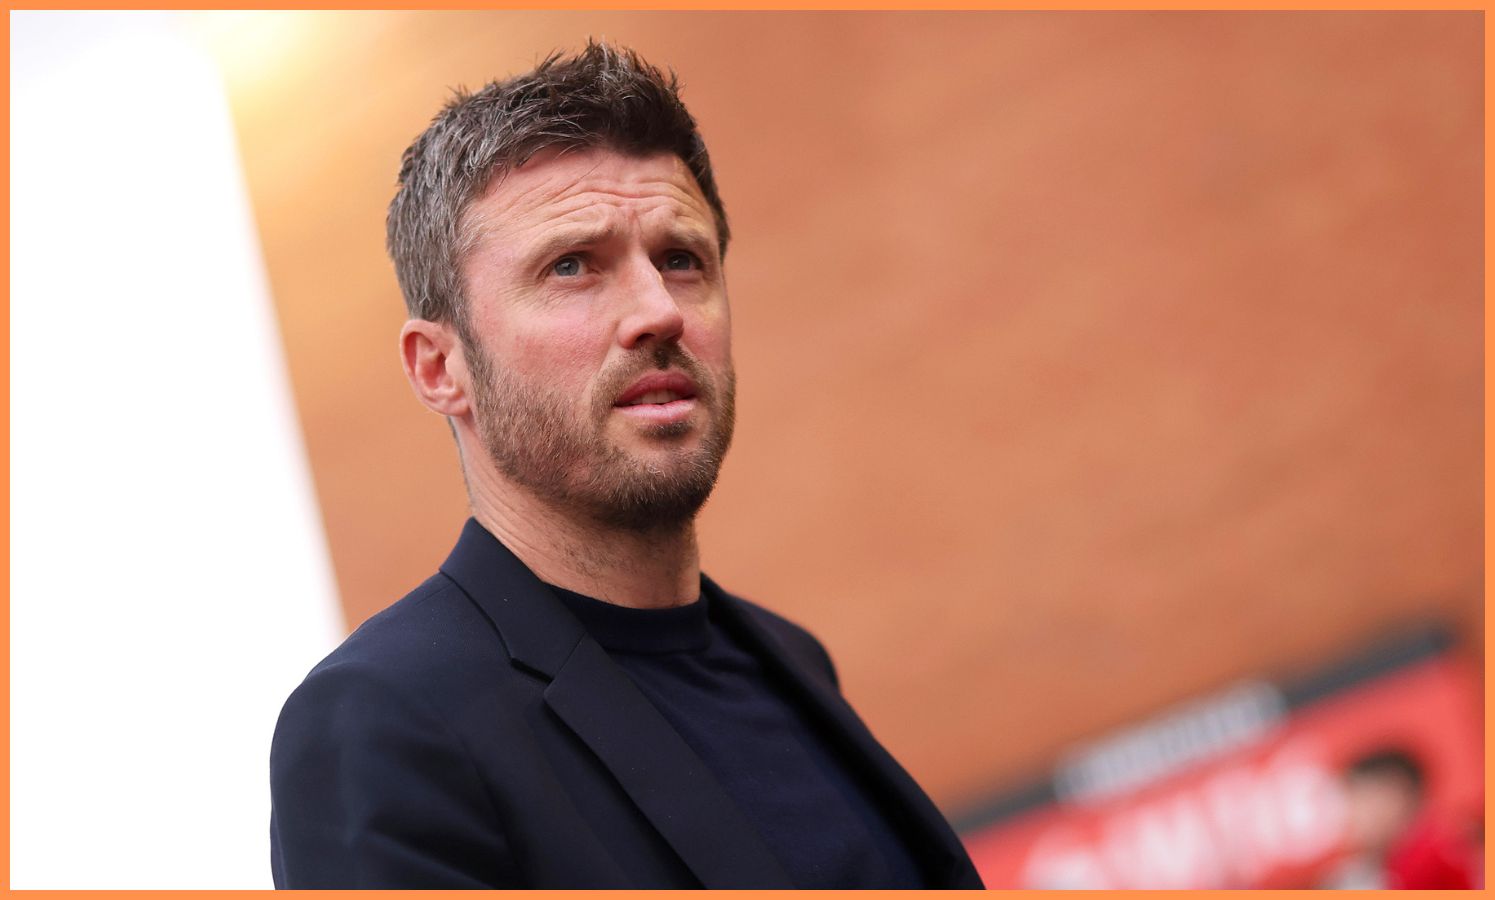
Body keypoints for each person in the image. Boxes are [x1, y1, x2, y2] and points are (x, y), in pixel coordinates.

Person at [268, 41, 984, 889]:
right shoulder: (387, 724)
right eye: (571, 266)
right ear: (440, 368)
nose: (657, 311)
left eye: (681, 260)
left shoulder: (791, 661)